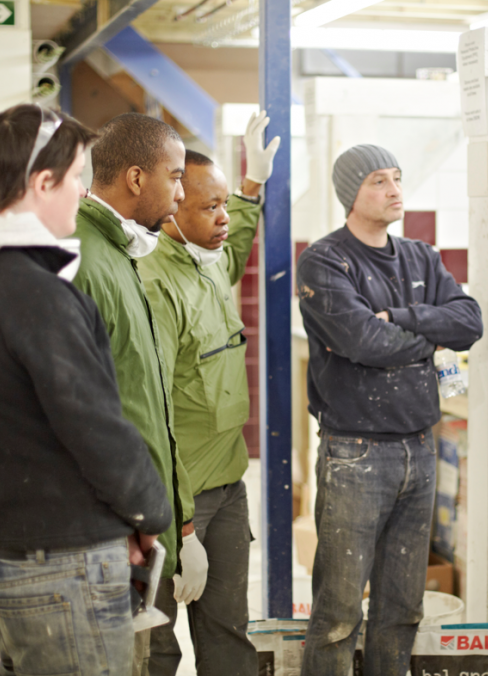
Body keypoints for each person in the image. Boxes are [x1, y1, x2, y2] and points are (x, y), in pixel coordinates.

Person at [0, 104, 173, 676]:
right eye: (77, 178)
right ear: (42, 183)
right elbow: (95, 427)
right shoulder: (36, 294)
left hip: (8, 553)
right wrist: (149, 511)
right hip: (66, 570)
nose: (83, 193)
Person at [296, 144, 484, 676]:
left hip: (420, 448)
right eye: (379, 180)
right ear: (351, 195)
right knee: (337, 612)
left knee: (401, 609)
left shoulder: (421, 257)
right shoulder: (326, 260)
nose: (395, 190)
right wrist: (429, 337)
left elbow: (469, 321)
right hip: (356, 453)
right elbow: (365, 342)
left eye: (398, 178)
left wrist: (401, 315)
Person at [137, 111, 279, 675]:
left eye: (224, 205)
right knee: (158, 647)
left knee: (228, 635)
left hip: (228, 483)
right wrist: (184, 528)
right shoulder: (155, 283)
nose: (223, 219)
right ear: (172, 210)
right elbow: (153, 414)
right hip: (178, 498)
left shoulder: (209, 263)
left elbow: (233, 241)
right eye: (208, 207)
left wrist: (250, 187)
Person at [72, 113, 201, 676]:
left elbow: (142, 399)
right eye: (175, 178)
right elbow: (84, 409)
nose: (180, 193)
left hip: (137, 521)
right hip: (109, 530)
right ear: (134, 178)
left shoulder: (119, 255)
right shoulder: (87, 261)